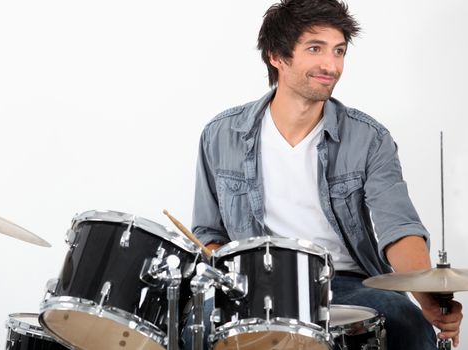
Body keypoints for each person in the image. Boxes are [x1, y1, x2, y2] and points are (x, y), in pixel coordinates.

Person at [189, 0, 463, 349]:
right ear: (277, 56)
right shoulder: (220, 134)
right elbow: (208, 233)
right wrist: (226, 280)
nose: (331, 65)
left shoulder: (369, 138)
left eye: (339, 51)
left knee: (407, 323)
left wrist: (427, 298)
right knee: (195, 326)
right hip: (254, 284)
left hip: (343, 281)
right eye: (315, 49)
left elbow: (399, 229)